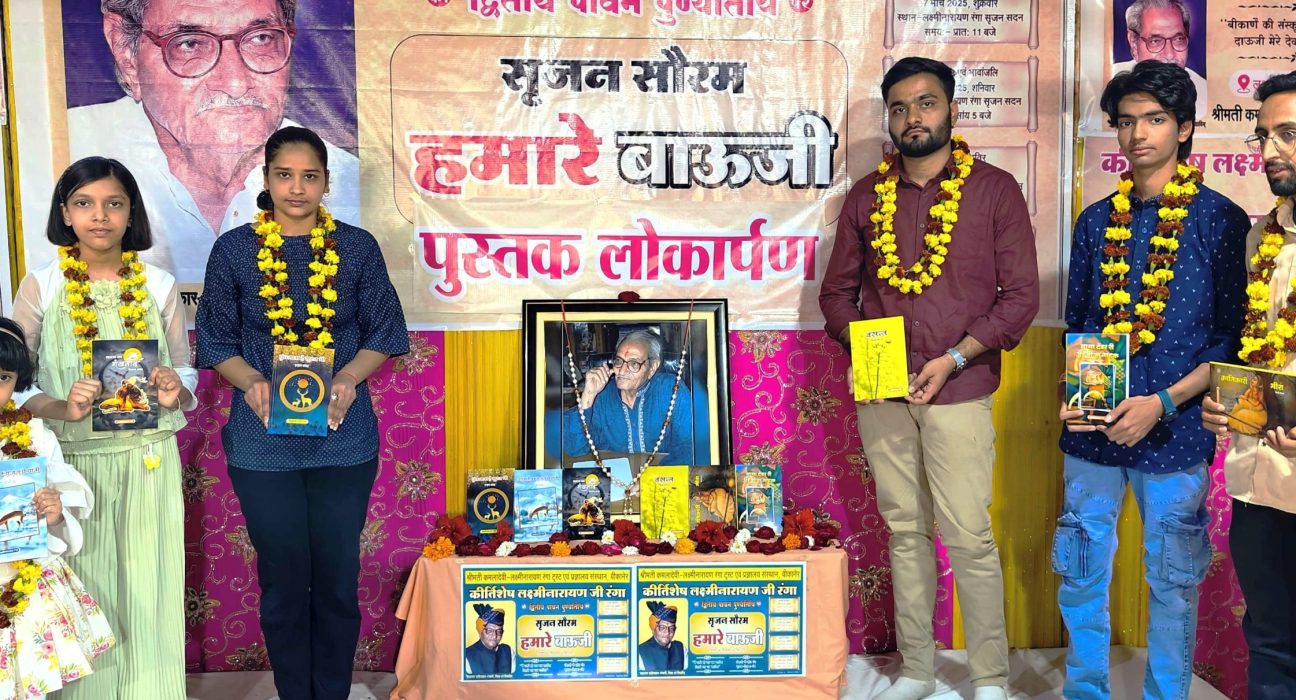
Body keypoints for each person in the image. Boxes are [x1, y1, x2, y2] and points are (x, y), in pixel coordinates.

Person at [819, 56, 1038, 700]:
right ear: (889, 120)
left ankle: (990, 678)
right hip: (883, 390)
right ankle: (917, 669)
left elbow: (1020, 298)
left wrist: (956, 358)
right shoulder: (866, 196)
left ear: (952, 110)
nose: (913, 117)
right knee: (905, 532)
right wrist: (863, 348)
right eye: (899, 107)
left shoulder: (994, 190)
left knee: (969, 536)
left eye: (926, 103)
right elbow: (836, 295)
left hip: (960, 388)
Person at [1057, 60, 1249, 700]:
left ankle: (1166, 695)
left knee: (1172, 580)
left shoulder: (1220, 220)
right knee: (1081, 567)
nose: (1138, 134)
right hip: (1093, 428)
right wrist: (1076, 397)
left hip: (1176, 429)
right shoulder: (1094, 221)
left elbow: (1229, 341)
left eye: (1155, 119)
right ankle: (1085, 691)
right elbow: (1080, 323)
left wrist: (1161, 403)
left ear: (1185, 128)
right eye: (1126, 121)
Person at [195, 125, 408, 700]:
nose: (296, 188)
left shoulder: (355, 247)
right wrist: (251, 381)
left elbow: (385, 331)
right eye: (284, 175)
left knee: (337, 580)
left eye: (309, 176)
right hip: (262, 444)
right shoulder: (235, 250)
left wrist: (347, 378)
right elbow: (215, 340)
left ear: (326, 182)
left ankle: (332, 692)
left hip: (344, 440)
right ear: (265, 180)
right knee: (284, 583)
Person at [9, 156, 196, 699]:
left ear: (130, 213)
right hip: (72, 468)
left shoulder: (158, 284)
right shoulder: (42, 286)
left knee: (148, 586)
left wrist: (174, 389)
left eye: (114, 204)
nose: (100, 216)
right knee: (86, 590)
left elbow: (185, 371)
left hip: (148, 459)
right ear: (64, 213)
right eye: (84, 204)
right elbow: (11, 383)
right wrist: (61, 407)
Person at [66, 0, 359, 283]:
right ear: (125, 52)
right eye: (190, 44)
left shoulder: (350, 185)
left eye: (260, 38)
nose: (235, 84)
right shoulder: (61, 156)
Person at [1200, 70, 1296, 699]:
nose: (1271, 151)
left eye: (1289, 134)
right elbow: (1257, 354)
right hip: (1262, 479)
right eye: (1264, 136)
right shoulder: (1263, 236)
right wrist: (1226, 404)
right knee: (1270, 639)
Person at [0, 317, 115, 698]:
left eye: (3, 377)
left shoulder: (34, 436)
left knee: (26, 680)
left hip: (23, 582)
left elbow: (62, 514)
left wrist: (54, 513)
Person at [559, 329, 695, 466]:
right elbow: (575, 448)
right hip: (613, 475)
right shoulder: (601, 395)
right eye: (619, 361)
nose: (622, 371)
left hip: (662, 475)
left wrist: (651, 476)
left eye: (634, 363)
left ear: (652, 368)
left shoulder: (671, 389)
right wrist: (588, 395)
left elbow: (690, 446)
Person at [1112, 0, 1207, 122]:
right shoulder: (1110, 87)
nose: (1169, 55)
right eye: (1155, 41)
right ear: (1134, 42)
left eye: (1178, 39)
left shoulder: (1205, 94)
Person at [464, 604, 512, 676]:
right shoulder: (467, 656)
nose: (494, 635)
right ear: (480, 631)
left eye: (499, 631)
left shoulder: (508, 651)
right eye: (489, 630)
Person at [638, 601, 685, 672]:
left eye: (671, 628)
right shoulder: (640, 652)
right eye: (662, 627)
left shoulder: (681, 648)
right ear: (653, 629)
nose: (667, 632)